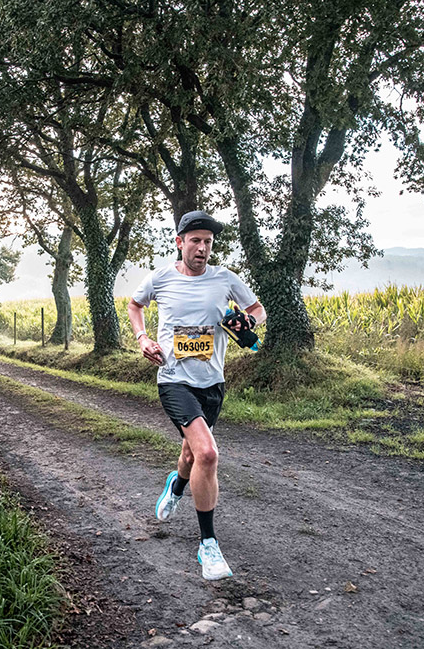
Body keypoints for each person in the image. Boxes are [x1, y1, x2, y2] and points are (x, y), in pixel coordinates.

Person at [127, 210, 266, 580]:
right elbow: (134, 305)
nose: (202, 248)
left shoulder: (225, 279)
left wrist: (248, 322)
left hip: (212, 382)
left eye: (208, 242)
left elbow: (258, 309)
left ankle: (176, 486)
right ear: (180, 243)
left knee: (191, 452)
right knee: (207, 451)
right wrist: (143, 337)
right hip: (173, 379)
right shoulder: (160, 278)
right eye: (195, 241)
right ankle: (208, 546)